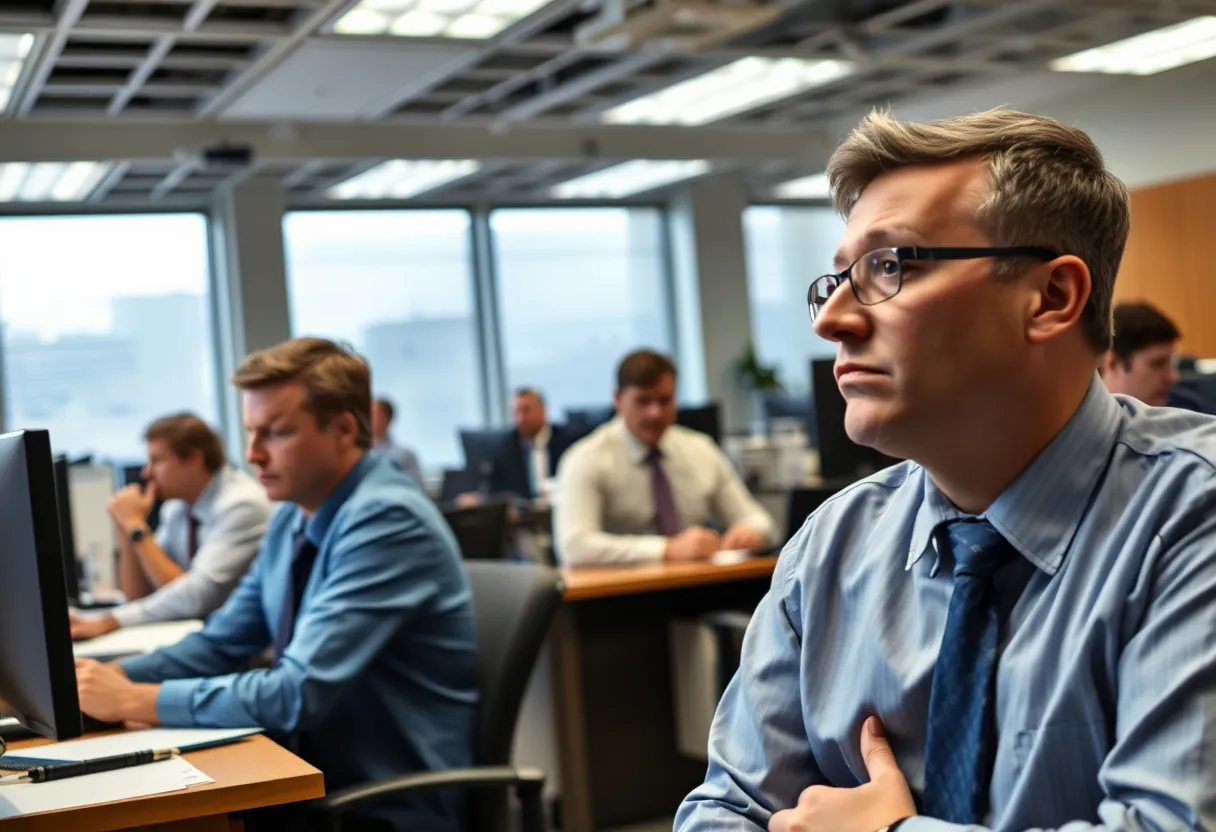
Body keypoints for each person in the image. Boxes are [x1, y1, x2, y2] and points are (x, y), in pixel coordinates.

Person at [675, 107, 1216, 832]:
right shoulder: (829, 549)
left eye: (889, 265)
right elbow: (723, 811)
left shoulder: (1190, 516)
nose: (830, 318)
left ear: (1051, 298)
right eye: (836, 277)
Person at [75, 337, 477, 832]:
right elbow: (221, 642)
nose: (253, 454)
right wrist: (91, 681)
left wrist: (134, 700)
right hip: (310, 778)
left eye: (277, 433)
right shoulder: (293, 518)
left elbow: (295, 692)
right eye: (250, 433)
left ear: (344, 429)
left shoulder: (387, 520)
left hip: (382, 802)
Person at [555, 349, 777, 566]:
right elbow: (574, 546)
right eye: (643, 401)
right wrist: (667, 549)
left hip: (701, 589)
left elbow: (762, 522)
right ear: (617, 400)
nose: (655, 413)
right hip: (620, 596)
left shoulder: (701, 449)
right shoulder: (585, 459)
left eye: (664, 400)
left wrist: (751, 532)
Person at [69, 413, 271, 641]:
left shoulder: (241, 505)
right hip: (194, 634)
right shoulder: (176, 508)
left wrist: (137, 527)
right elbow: (142, 594)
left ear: (194, 458)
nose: (147, 472)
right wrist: (125, 529)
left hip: (237, 646)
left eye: (157, 460)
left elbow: (194, 597)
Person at [1100, 301, 1216, 413]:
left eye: (1172, 363)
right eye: (1158, 364)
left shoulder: (1188, 408)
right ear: (1113, 364)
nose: (1172, 377)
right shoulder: (1087, 424)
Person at [481, 387, 576, 500]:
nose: (521, 418)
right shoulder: (504, 449)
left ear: (543, 410)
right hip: (525, 515)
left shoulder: (569, 442)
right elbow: (493, 492)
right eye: (516, 412)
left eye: (526, 410)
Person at [370, 397, 425, 486]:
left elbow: (416, 488)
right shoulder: (356, 455)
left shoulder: (405, 456)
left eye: (374, 415)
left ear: (389, 419)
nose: (369, 419)